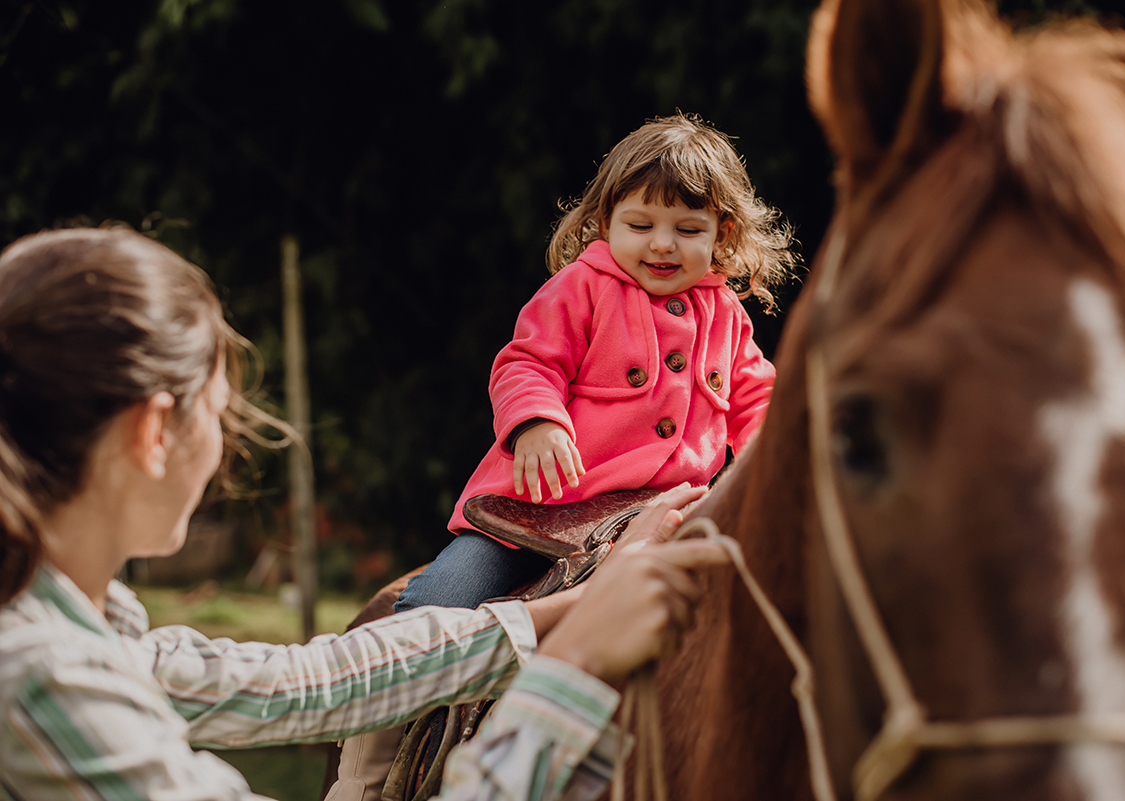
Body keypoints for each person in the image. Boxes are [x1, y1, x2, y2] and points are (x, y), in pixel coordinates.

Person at [0, 227, 728, 801]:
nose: (224, 447)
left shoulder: (78, 625)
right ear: (152, 433)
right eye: (219, 413)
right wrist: (575, 668)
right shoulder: (38, 673)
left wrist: (563, 614)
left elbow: (302, 683)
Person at [393, 113, 795, 613]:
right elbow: (528, 363)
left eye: (688, 229)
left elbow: (758, 398)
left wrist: (770, 462)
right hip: (540, 514)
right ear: (606, 223)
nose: (663, 243)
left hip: (668, 516)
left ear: (722, 232)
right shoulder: (582, 288)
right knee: (437, 604)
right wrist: (537, 423)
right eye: (640, 225)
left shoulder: (726, 315)